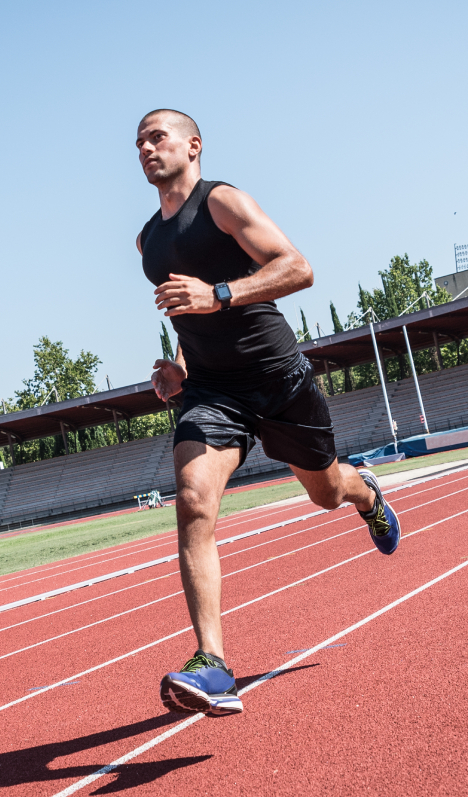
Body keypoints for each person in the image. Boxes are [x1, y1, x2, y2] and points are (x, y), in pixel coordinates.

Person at [134, 109, 401, 717]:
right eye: (138, 143)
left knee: (327, 492)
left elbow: (297, 268)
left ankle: (370, 498)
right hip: (211, 391)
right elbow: (186, 311)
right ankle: (213, 663)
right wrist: (179, 364)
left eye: (158, 137)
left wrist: (222, 293)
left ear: (193, 145)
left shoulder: (222, 202)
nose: (147, 149)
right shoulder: (149, 240)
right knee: (194, 499)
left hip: (277, 379)